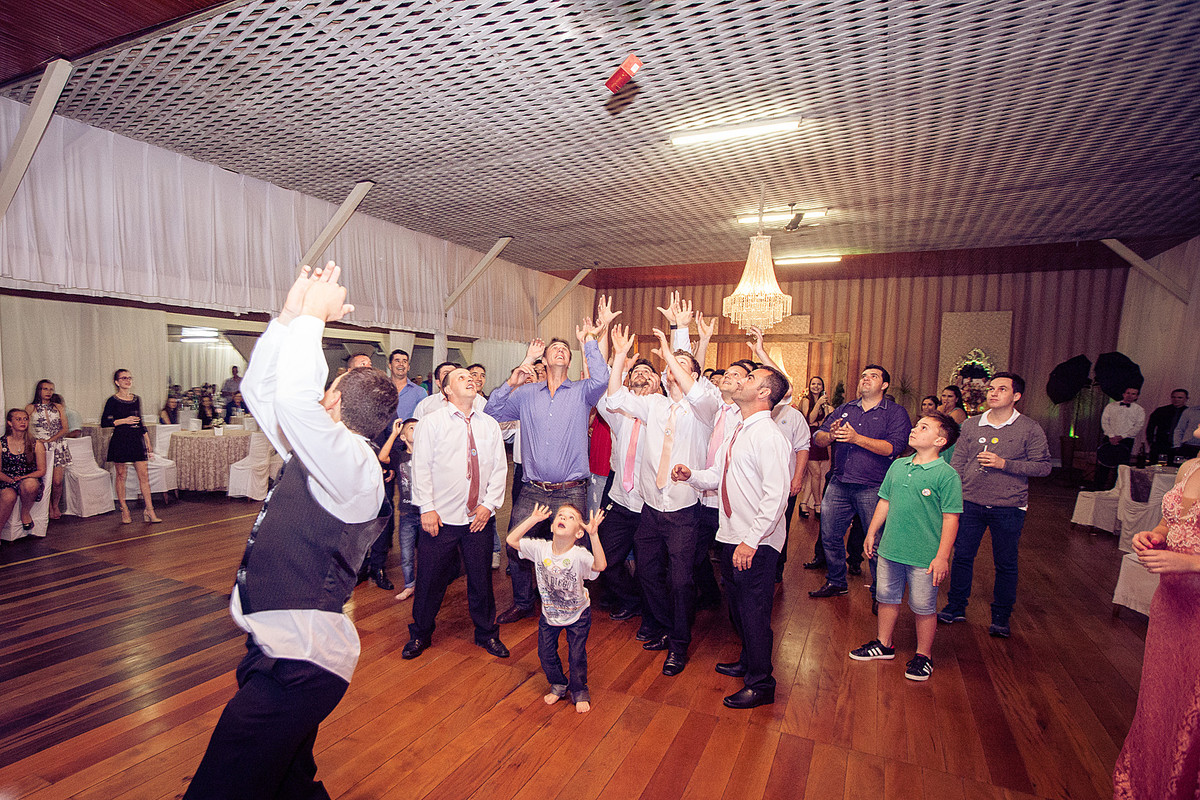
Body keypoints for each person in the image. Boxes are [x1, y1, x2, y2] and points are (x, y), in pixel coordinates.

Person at [183, 262, 398, 799]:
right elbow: (264, 392)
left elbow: (292, 401)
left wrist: (315, 321)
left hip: (300, 665)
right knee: (288, 783)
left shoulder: (352, 465)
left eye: (330, 389)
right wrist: (286, 318)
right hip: (281, 654)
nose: (321, 392)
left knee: (220, 787)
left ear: (335, 405)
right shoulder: (322, 456)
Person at [485, 297, 615, 624]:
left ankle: (567, 600)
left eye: (565, 350)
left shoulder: (583, 391)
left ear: (569, 361)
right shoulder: (527, 394)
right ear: (544, 358)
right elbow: (492, 411)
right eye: (554, 348)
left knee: (571, 547)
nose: (560, 351)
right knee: (516, 545)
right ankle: (523, 601)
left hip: (571, 490)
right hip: (532, 489)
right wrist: (514, 378)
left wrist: (588, 342)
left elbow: (601, 379)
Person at [673, 365, 792, 708]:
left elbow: (776, 496)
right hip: (732, 534)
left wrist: (752, 540)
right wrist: (691, 474)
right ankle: (748, 660)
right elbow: (719, 474)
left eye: (751, 379)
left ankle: (761, 683)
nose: (742, 380)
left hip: (755, 541)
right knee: (739, 607)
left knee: (754, 612)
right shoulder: (738, 429)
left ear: (764, 393)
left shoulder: (768, 435)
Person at [607, 324, 718, 676]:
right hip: (651, 511)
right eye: (670, 367)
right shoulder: (653, 404)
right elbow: (613, 399)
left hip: (684, 513)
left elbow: (696, 394)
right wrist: (621, 357)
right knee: (649, 574)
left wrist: (672, 354)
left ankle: (679, 645)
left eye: (682, 368)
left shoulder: (704, 409)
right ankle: (662, 625)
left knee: (681, 581)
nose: (672, 372)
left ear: (694, 376)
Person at [1113, 423, 1200, 799]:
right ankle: (1149, 780)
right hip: (1171, 603)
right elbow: (1170, 523)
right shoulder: (1189, 468)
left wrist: (1190, 564)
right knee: (1163, 694)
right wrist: (1153, 535)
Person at [402, 367, 509, 661]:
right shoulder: (431, 423)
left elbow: (500, 468)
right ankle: (420, 634)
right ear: (446, 390)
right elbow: (420, 467)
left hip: (478, 517)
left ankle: (487, 634)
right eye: (461, 378)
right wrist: (427, 508)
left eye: (471, 378)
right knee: (429, 581)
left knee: (481, 580)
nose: (470, 380)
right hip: (441, 518)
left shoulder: (488, 425)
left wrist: (489, 505)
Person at [850, 411, 962, 681]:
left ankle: (924, 655)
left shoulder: (946, 475)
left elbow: (951, 518)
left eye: (923, 427)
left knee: (923, 606)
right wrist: (871, 532)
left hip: (924, 556)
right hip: (890, 550)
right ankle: (883, 643)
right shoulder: (899, 466)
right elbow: (885, 501)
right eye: (916, 424)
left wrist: (942, 557)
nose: (914, 429)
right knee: (886, 597)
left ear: (940, 440)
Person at [942, 373, 1051, 637]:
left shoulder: (1029, 428)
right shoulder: (970, 425)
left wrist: (1005, 464)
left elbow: (1044, 467)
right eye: (991, 388)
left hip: (1009, 506)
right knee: (963, 556)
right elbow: (958, 462)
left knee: (1005, 563)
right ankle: (956, 606)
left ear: (1016, 396)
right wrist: (954, 493)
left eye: (1001, 389)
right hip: (970, 502)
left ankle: (1001, 616)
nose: (993, 393)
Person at [809, 365, 911, 598]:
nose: (866, 379)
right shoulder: (845, 409)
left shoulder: (895, 413)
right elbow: (818, 438)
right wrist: (831, 435)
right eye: (864, 376)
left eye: (873, 376)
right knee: (830, 535)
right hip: (839, 482)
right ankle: (836, 581)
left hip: (874, 486)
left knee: (875, 543)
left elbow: (893, 448)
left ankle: (880, 592)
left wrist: (856, 438)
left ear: (884, 385)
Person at [507, 502, 607, 713]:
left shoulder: (579, 555)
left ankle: (579, 690)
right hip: (549, 615)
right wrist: (533, 519)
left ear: (579, 532)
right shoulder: (540, 549)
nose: (564, 518)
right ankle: (559, 684)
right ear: (552, 526)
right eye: (561, 515)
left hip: (578, 614)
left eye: (571, 518)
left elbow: (600, 566)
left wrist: (594, 535)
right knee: (545, 653)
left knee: (576, 655)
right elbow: (511, 540)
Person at [595, 357, 660, 622]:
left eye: (648, 371)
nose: (642, 374)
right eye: (637, 371)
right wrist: (617, 365)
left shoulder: (665, 411)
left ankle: (652, 612)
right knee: (607, 561)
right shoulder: (620, 415)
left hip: (650, 505)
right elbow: (604, 396)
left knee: (651, 568)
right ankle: (631, 600)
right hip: (621, 501)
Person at [102, 369, 161, 524]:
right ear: (117, 382)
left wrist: (147, 440)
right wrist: (124, 420)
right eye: (124, 378)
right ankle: (124, 509)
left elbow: (140, 420)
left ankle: (149, 510)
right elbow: (104, 422)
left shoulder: (136, 399)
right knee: (121, 475)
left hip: (136, 439)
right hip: (120, 439)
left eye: (129, 378)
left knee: (144, 476)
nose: (127, 380)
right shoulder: (112, 400)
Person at [378, 418, 419, 601]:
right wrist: (394, 433)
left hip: (427, 512)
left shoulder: (429, 454)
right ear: (403, 436)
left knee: (427, 555)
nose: (416, 431)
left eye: (419, 428)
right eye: (411, 428)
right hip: (407, 514)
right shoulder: (399, 456)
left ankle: (426, 586)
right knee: (407, 554)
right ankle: (409, 585)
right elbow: (382, 457)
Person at [26, 380, 71, 520]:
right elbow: (25, 428)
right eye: (45, 389)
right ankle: (47, 507)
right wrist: (37, 442)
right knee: (44, 479)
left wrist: (50, 440)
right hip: (39, 447)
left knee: (57, 481)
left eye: (51, 389)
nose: (48, 392)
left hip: (57, 445)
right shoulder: (30, 408)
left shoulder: (58, 407)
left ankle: (55, 504)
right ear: (39, 390)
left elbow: (65, 428)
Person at [0, 408, 47, 531]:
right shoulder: (1, 443)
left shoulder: (36, 444)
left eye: (25, 419)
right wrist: (9, 480)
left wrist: (23, 477)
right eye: (18, 419)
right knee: (8, 497)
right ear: (10, 423)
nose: (23, 422)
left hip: (27, 478)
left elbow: (41, 471)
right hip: (6, 480)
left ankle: (25, 512)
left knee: (30, 484)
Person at [1094, 387, 1145, 490]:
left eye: (1133, 394)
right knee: (1104, 464)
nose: (1130, 396)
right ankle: (1098, 488)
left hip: (1126, 440)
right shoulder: (1111, 406)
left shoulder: (1139, 410)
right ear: (1123, 394)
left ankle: (1117, 490)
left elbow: (1138, 426)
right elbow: (1104, 421)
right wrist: (1111, 436)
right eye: (1128, 393)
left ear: (1137, 396)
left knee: (1121, 467)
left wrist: (1122, 436)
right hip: (1109, 438)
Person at [799, 376, 832, 521]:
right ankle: (818, 504)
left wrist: (823, 409)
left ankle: (803, 504)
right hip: (809, 440)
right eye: (813, 384)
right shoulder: (806, 401)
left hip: (820, 439)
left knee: (814, 476)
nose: (816, 386)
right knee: (816, 474)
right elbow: (809, 420)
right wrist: (818, 404)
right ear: (809, 386)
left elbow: (827, 420)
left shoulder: (825, 402)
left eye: (819, 384)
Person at [1146, 388, 1188, 464]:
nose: (1176, 399)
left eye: (1180, 398)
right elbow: (1150, 427)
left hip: (1179, 447)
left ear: (1186, 399)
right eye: (1173, 397)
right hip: (1160, 444)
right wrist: (1151, 441)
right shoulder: (1161, 411)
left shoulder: (1190, 413)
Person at [387, 349, 428, 421]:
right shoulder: (380, 388)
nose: (401, 364)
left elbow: (424, 420)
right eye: (397, 361)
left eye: (404, 361)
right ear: (390, 366)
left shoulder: (419, 392)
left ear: (408, 367)